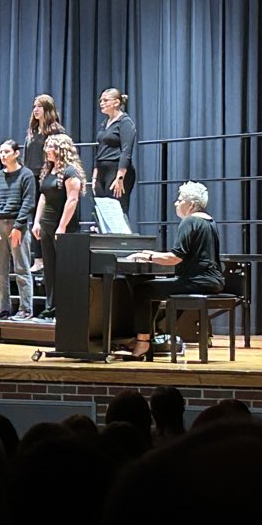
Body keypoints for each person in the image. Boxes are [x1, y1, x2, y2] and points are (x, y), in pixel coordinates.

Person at [124, 181, 225, 358]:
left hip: (196, 281)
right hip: (213, 280)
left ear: (191, 204)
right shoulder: (209, 221)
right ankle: (149, 338)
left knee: (143, 290)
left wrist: (147, 256)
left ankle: (143, 342)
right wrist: (150, 253)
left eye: (180, 200)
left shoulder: (189, 221)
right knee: (152, 290)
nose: (176, 204)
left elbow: (175, 258)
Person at [31, 134, 84, 319]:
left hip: (62, 226)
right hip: (46, 225)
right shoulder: (49, 170)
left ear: (61, 149)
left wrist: (62, 227)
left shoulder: (70, 172)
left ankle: (65, 308)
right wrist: (37, 221)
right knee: (49, 267)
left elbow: (72, 199)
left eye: (50, 147)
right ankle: (51, 306)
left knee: (63, 268)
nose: (46, 150)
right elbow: (43, 197)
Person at [0, 139, 36, 320]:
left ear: (16, 153)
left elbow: (28, 202)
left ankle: (26, 309)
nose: (3, 155)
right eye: (1, 152)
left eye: (6, 152)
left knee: (21, 269)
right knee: (0, 272)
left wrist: (18, 226)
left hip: (17, 226)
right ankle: (3, 308)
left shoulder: (26, 175)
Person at [24, 94, 65, 272]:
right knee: (34, 217)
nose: (35, 109)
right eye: (34, 106)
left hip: (46, 176)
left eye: (39, 106)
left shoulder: (55, 131)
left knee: (45, 217)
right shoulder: (32, 131)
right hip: (31, 176)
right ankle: (38, 258)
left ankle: (49, 257)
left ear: (48, 109)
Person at [93, 88, 137, 213]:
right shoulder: (104, 123)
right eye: (101, 100)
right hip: (102, 170)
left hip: (116, 169)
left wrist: (120, 178)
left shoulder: (125, 122)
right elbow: (99, 150)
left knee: (117, 209)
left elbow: (126, 151)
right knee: (102, 209)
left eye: (106, 100)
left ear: (117, 102)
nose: (102, 103)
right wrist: (95, 175)